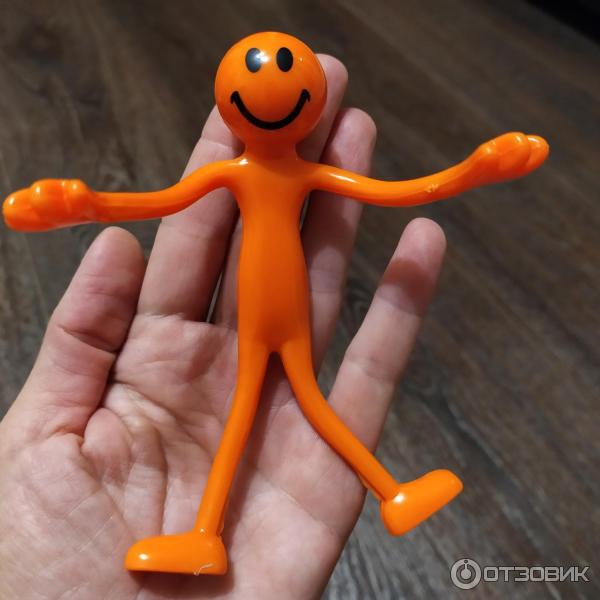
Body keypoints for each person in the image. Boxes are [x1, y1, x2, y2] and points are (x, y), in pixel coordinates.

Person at [0, 55, 450, 598]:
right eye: (254, 75)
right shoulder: (234, 171)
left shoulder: (299, 172)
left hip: (285, 311)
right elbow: (161, 201)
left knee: (289, 408)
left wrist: (475, 170)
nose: (269, 90)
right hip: (258, 317)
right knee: (282, 409)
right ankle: (380, 496)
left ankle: (383, 497)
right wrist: (88, 204)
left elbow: (397, 191)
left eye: (285, 73)